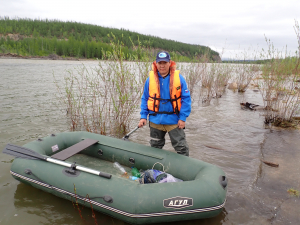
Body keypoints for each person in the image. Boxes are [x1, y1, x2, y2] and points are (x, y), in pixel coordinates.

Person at [138, 51, 191, 156]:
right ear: (156, 64)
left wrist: (183, 118)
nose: (162, 65)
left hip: (174, 120)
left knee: (181, 148)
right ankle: (155, 169)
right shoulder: (150, 80)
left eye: (164, 63)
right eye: (160, 63)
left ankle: (184, 170)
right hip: (155, 120)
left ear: (169, 63)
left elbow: (186, 99)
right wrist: (143, 116)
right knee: (155, 148)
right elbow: (145, 98)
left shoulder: (179, 79)